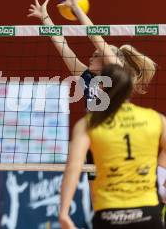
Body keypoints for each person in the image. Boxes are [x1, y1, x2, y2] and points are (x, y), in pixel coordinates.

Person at [27, 0, 157, 185]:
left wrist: (76, 9)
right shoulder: (86, 77)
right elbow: (63, 46)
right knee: (94, 192)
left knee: (119, 186)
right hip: (93, 139)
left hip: (116, 137)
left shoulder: (116, 74)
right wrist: (45, 17)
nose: (91, 56)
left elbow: (95, 37)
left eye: (97, 55)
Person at [59, 64, 166, 229]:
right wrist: (161, 174)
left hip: (109, 213)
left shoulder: (89, 123)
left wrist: (64, 212)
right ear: (130, 89)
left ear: (100, 87)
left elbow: (73, 167)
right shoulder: (155, 118)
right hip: (148, 211)